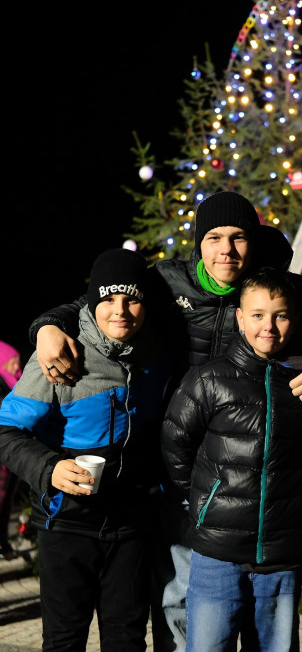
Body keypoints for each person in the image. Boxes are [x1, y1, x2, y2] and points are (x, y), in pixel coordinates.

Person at [27, 190, 302, 651]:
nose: (227, 250)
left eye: (238, 237)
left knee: (252, 612)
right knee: (179, 594)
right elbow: (100, 301)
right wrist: (46, 327)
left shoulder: (278, 289)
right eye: (214, 237)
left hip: (249, 469)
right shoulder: (167, 282)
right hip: (175, 461)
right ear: (199, 243)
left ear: (253, 241)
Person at [0, 248, 172, 652]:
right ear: (92, 302)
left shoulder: (159, 352)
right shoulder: (59, 354)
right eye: (108, 300)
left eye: (131, 299)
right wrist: (50, 468)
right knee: (64, 641)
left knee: (127, 639)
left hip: (131, 526)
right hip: (66, 525)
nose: (120, 311)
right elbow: (6, 431)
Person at [161, 268, 302, 652]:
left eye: (280, 316)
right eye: (257, 315)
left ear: (295, 319)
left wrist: (294, 495)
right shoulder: (209, 379)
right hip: (217, 552)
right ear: (241, 318)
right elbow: (176, 444)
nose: (268, 327)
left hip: (281, 552)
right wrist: (207, 501)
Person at [0, 340, 23, 559]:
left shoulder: (16, 382)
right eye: (12, 362)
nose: (17, 367)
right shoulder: (2, 383)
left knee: (7, 501)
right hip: (3, 450)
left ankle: (3, 543)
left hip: (12, 453)